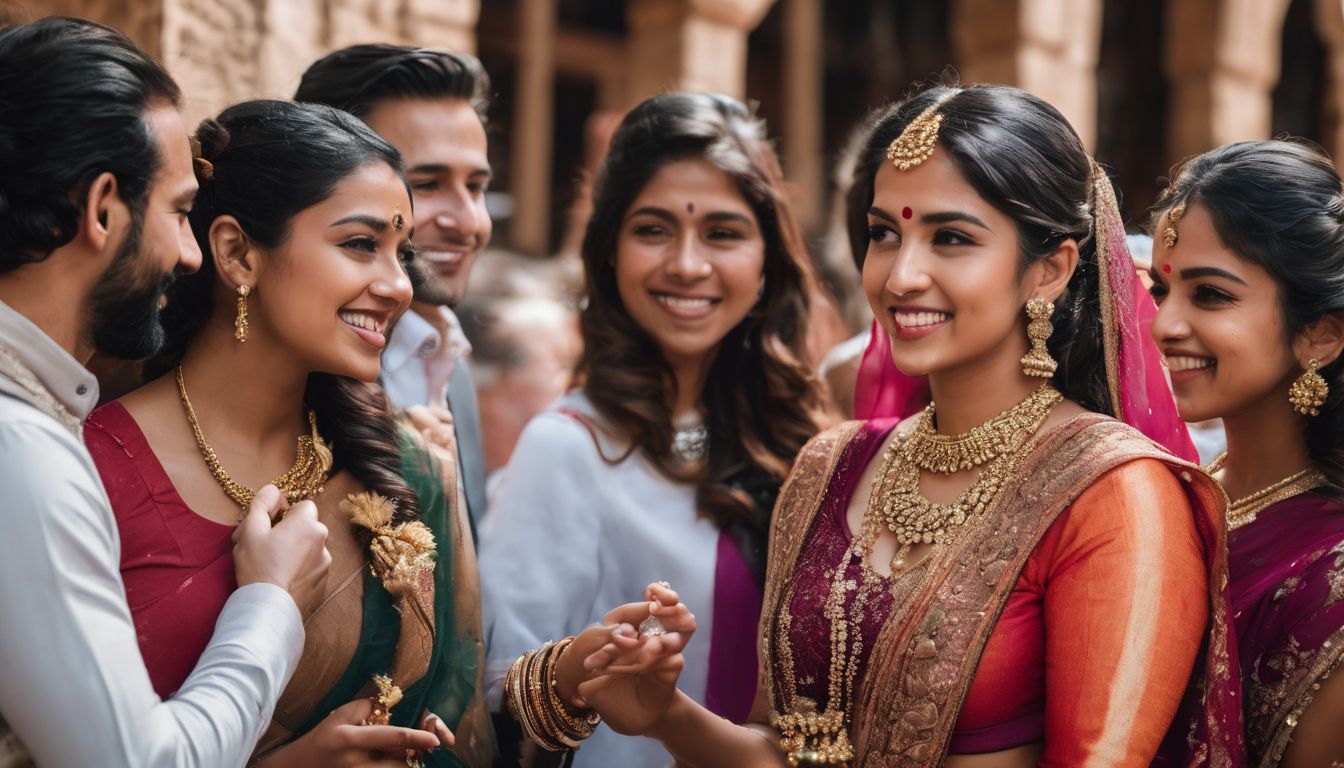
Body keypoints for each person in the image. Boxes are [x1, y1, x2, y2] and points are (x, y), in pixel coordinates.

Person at [572, 84, 1243, 767]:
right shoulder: (833, 465)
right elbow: (786, 745)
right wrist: (669, 716)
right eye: (884, 234)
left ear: (1049, 270)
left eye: (950, 238)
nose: (901, 275)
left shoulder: (1113, 495)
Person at [83, 99, 470, 766]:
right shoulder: (89, 465)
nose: (399, 285)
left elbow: (455, 713)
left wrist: (564, 687)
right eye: (360, 244)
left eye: (400, 253)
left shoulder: (404, 463)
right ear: (237, 252)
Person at [0, 18, 330, 767]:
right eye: (181, 213)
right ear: (102, 208)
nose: (190, 256)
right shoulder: (22, 452)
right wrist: (270, 606)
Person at [478, 92, 832, 767]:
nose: (688, 265)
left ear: (766, 263)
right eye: (653, 229)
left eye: (723, 232)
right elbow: (496, 687)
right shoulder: (569, 447)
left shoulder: (803, 440)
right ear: (609, 250)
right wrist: (582, 666)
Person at [1149, 139, 1344, 767]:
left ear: (1321, 334)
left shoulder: (1329, 573)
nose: (1164, 324)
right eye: (1161, 291)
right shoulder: (1174, 496)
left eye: (1210, 295)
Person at [295, 44, 493, 529]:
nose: (468, 221)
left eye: (477, 186)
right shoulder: (293, 381)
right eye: (425, 185)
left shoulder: (451, 366)